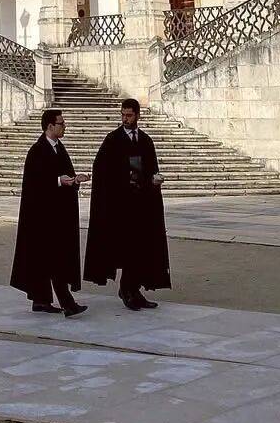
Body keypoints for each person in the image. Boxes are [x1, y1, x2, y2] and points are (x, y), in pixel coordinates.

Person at [83, 97, 171, 310]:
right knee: (128, 249)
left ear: (137, 115)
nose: (125, 119)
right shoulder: (113, 140)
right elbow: (101, 170)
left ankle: (135, 289)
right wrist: (123, 179)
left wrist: (153, 179)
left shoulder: (145, 140)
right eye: (123, 115)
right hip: (120, 207)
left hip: (142, 206)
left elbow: (151, 168)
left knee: (142, 249)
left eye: (129, 115)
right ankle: (126, 289)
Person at [10, 108, 88, 317]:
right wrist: (58, 181)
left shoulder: (59, 148)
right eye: (61, 123)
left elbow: (65, 175)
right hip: (42, 217)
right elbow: (34, 182)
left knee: (47, 260)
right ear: (50, 126)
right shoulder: (37, 151)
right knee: (54, 260)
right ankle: (67, 303)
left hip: (58, 216)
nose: (64, 127)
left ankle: (41, 300)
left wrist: (74, 180)